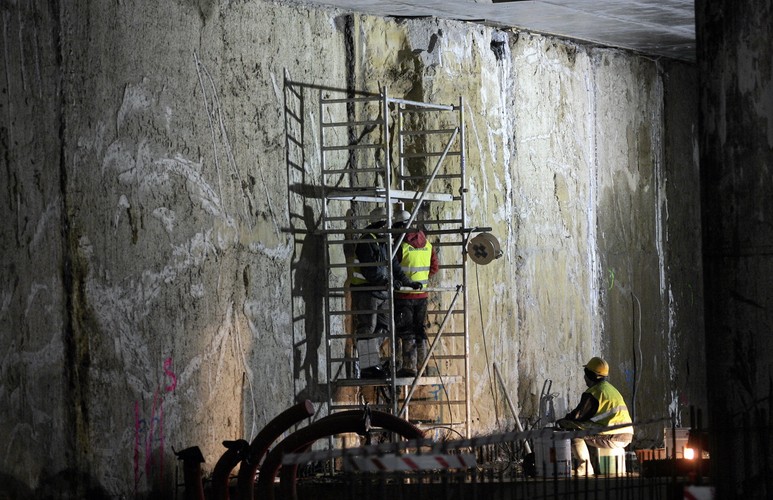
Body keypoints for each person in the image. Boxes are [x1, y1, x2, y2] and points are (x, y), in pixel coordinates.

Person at [350, 207, 421, 379]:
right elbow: (371, 271)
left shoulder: (382, 241)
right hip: (367, 291)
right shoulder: (367, 241)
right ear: (379, 223)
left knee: (385, 327)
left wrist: (408, 283)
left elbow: (394, 266)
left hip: (382, 292)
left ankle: (372, 362)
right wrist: (388, 282)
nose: (387, 228)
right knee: (367, 328)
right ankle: (368, 367)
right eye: (385, 224)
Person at [556, 356, 634, 476]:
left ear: (589, 374)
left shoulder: (594, 392)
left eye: (585, 373)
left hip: (612, 436)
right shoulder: (610, 389)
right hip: (626, 435)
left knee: (572, 429)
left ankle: (584, 466)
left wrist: (563, 421)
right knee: (588, 430)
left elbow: (578, 416)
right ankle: (594, 465)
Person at [392, 210, 439, 378]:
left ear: (398, 225)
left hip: (403, 295)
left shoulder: (399, 243)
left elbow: (393, 267)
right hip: (422, 295)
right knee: (420, 330)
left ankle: (409, 367)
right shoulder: (426, 243)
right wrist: (420, 280)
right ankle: (423, 367)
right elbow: (434, 268)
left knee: (406, 331)